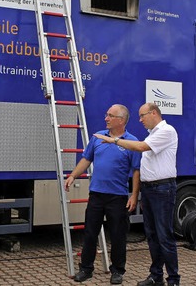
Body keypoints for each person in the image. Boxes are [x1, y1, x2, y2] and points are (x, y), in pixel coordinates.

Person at [95, 102, 180, 286]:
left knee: (164, 236)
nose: (140, 120)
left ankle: (173, 279)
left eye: (143, 115)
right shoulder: (152, 134)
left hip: (162, 189)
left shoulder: (167, 131)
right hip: (150, 190)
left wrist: (114, 140)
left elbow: (141, 147)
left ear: (154, 113)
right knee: (152, 235)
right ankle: (156, 276)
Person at [65, 104, 141, 285]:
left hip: (118, 197)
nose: (106, 118)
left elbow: (137, 171)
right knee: (90, 233)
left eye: (110, 115)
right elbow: (86, 159)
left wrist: (134, 195)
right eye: (106, 115)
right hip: (97, 194)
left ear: (121, 120)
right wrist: (73, 175)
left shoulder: (131, 142)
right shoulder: (98, 137)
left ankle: (117, 271)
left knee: (118, 235)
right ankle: (86, 269)